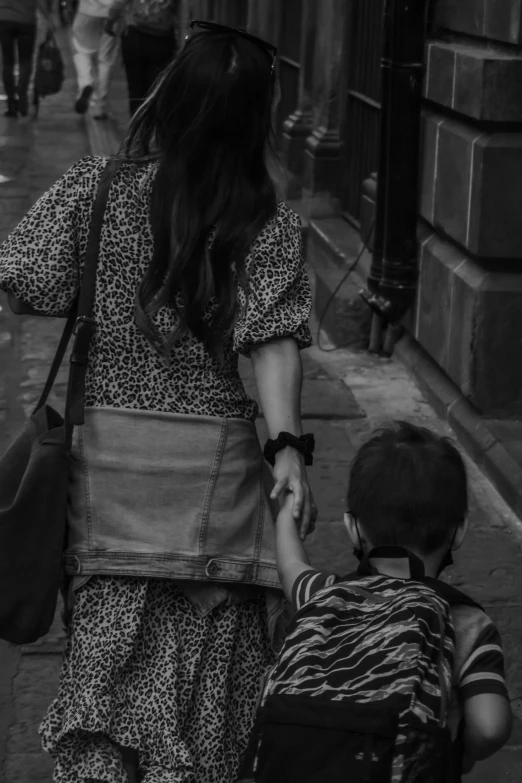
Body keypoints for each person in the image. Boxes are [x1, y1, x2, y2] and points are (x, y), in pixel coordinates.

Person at [0, 20, 316, 783]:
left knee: (106, 694)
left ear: (169, 102)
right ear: (254, 119)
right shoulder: (268, 222)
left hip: (111, 492)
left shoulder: (96, 189)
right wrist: (287, 453)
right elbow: (273, 344)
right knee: (210, 704)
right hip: (218, 498)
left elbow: (22, 280)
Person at [251, 421, 513, 782]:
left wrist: (289, 508)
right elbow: (490, 726)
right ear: (460, 531)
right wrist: (454, 753)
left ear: (352, 527)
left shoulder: (323, 594)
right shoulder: (465, 621)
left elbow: (290, 566)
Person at [106, 0, 178, 117]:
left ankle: (137, 129)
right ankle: (152, 129)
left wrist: (110, 20)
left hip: (135, 36)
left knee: (135, 89)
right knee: (158, 89)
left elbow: (119, 2)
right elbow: (183, 12)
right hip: (163, 40)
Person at [0, 0, 51, 117]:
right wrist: (50, 20)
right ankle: (22, 96)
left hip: (4, 18)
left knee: (7, 62)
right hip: (26, 20)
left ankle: (11, 104)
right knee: (25, 60)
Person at [71, 0, 118, 119]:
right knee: (105, 61)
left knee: (80, 50)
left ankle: (86, 82)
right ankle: (99, 107)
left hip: (85, 12)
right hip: (111, 14)